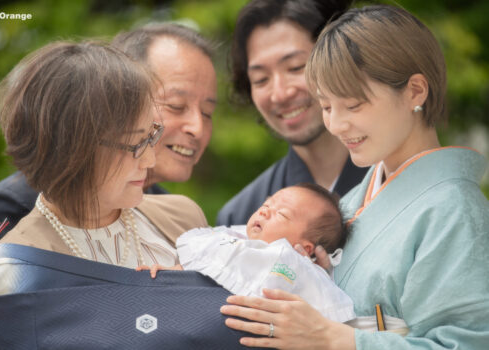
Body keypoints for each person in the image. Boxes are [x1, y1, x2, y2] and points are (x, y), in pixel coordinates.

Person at [220, 5, 489, 349]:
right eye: (327, 107)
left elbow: (467, 343)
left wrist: (333, 337)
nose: (336, 125)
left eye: (354, 105)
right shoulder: (354, 202)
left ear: (415, 91)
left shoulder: (454, 209)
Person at [0, 23, 217, 277]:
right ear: (77, 144)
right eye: (175, 105)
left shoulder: (177, 215)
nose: (198, 127)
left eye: (208, 112)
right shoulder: (11, 233)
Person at [216, 0, 369, 227]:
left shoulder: (399, 174)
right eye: (261, 79)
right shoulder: (242, 216)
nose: (280, 94)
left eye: (296, 67)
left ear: (342, 58)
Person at [146, 184, 356, 323]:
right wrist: (176, 272)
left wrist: (179, 272)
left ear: (305, 248)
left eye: (281, 214)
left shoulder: (288, 261)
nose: (264, 211)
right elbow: (215, 266)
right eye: (266, 204)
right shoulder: (238, 239)